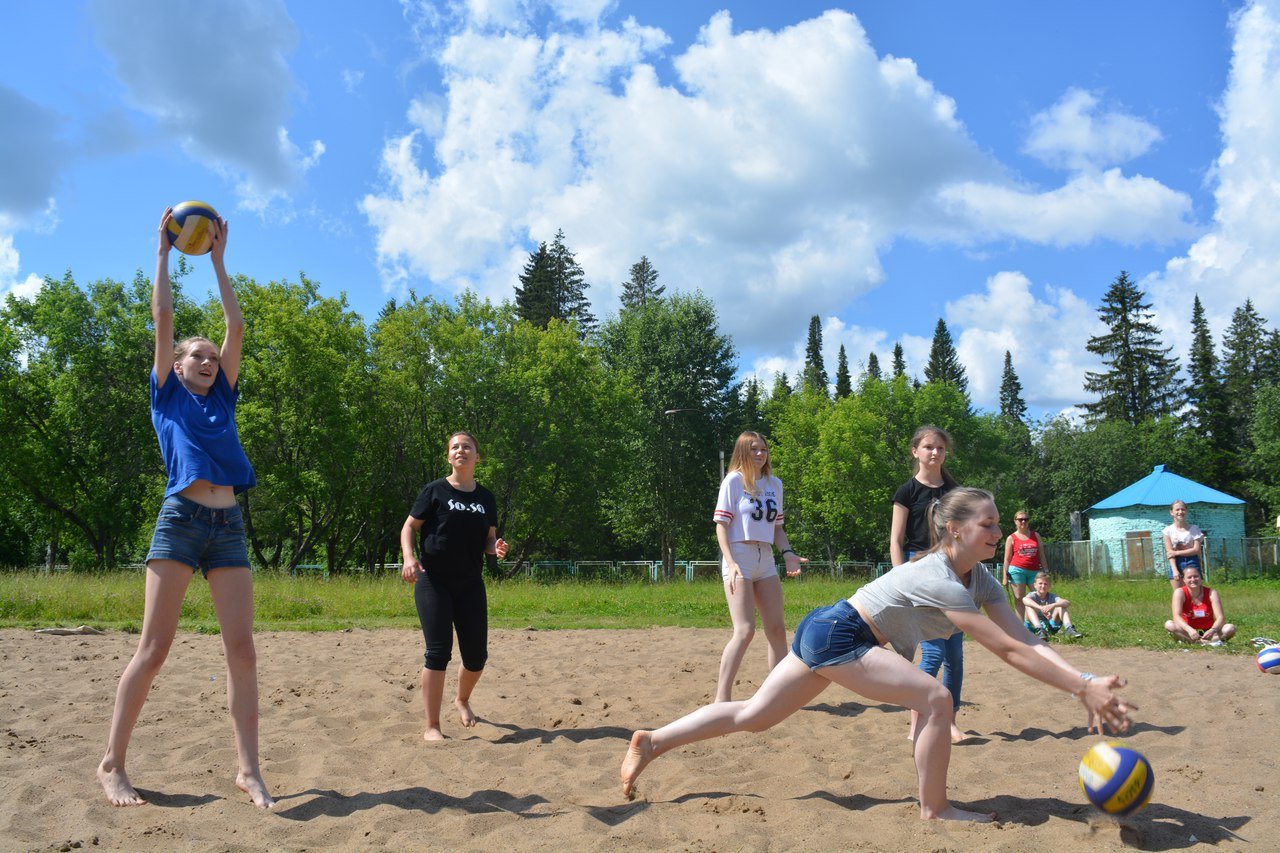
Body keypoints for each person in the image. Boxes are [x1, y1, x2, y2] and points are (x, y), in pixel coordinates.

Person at [620, 488, 1134, 822]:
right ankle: (937, 809)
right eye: (989, 526)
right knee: (936, 699)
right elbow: (1004, 651)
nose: (999, 534)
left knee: (754, 716)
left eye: (999, 525)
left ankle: (653, 741)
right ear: (955, 529)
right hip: (841, 635)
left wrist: (1084, 679)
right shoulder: (940, 579)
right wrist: (1077, 689)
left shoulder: (976, 578)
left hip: (829, 628)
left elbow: (1025, 637)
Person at [97, 209, 273, 808]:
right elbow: (164, 317)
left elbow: (236, 324)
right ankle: (112, 763)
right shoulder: (166, 396)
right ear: (173, 366)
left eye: (208, 355)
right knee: (154, 648)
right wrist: (167, 253)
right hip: (180, 520)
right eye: (192, 355)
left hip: (228, 526)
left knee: (242, 648)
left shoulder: (223, 394)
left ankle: (248, 769)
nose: (203, 359)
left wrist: (219, 259)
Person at [401, 431, 509, 741]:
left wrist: (496, 547)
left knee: (476, 657)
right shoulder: (434, 491)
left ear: (477, 457)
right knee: (438, 653)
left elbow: (489, 539)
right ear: (449, 456)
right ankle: (432, 727)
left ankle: (462, 700)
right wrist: (409, 558)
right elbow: (409, 526)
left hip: (470, 584)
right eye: (455, 447)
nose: (460, 450)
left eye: (467, 447)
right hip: (434, 581)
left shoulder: (485, 497)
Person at [712, 432, 806, 702]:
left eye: (763, 449)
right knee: (744, 630)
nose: (760, 454)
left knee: (776, 629)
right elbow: (721, 526)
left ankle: (776, 696)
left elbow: (778, 528)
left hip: (765, 557)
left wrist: (788, 553)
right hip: (739, 555)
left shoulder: (775, 484)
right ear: (743, 451)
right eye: (754, 449)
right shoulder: (733, 481)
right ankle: (722, 698)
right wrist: (730, 562)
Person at [890, 426, 964, 742]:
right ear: (915, 451)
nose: (935, 453)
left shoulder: (956, 491)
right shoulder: (906, 491)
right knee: (932, 654)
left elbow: (963, 535)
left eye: (941, 448)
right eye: (929, 447)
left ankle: (949, 722)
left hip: (952, 569)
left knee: (955, 657)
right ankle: (917, 723)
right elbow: (895, 540)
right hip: (918, 569)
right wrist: (901, 579)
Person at [1164, 564, 1235, 645]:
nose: (1193, 579)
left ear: (1201, 577)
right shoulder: (1180, 592)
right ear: (1184, 580)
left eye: (1196, 576)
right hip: (1188, 631)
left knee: (1230, 628)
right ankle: (1207, 643)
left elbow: (1220, 618)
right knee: (1169, 625)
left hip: (1209, 633)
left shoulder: (1211, 593)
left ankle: (1197, 642)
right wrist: (1189, 630)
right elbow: (1176, 616)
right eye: (1189, 577)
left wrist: (1213, 630)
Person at [1002, 509, 1049, 626]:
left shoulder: (1035, 535)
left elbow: (1042, 555)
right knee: (1019, 599)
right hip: (1017, 570)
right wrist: (1004, 577)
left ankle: (1039, 625)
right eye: (1020, 519)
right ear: (1015, 521)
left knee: (1039, 597)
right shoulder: (1011, 538)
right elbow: (1007, 559)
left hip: (1034, 571)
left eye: (1026, 519)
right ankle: (1020, 627)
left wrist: (1046, 571)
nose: (1023, 522)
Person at [1022, 572, 1083, 639]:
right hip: (1033, 626)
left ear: (1049, 586)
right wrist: (1041, 607)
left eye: (1045, 584)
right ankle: (1039, 630)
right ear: (1035, 585)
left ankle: (1069, 629)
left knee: (1061, 605)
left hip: (1050, 624)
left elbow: (1067, 602)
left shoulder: (1052, 596)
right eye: (1040, 583)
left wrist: (1053, 605)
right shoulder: (1032, 595)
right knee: (1028, 606)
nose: (1043, 586)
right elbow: (1024, 599)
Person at [1162, 499, 1205, 590]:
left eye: (1182, 509)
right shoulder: (1167, 531)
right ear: (1171, 512)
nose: (1180, 512)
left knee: (1196, 592)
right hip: (1176, 563)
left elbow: (1196, 550)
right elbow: (1170, 553)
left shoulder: (1194, 529)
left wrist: (1176, 553)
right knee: (1179, 594)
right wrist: (1174, 570)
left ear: (1186, 511)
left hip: (1192, 561)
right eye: (1177, 510)